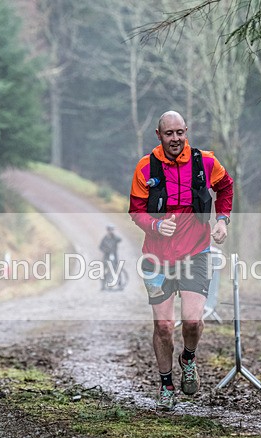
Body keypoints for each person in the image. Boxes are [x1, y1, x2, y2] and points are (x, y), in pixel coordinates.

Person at [129, 110, 234, 410]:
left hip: (196, 253)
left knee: (192, 320)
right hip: (156, 257)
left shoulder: (205, 162)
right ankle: (166, 385)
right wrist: (155, 225)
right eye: (169, 133)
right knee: (163, 326)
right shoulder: (146, 167)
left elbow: (226, 187)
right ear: (158, 135)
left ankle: (188, 358)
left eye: (180, 132)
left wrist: (222, 220)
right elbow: (136, 211)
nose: (175, 139)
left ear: (186, 131)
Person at [99, 224, 122, 290]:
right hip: (106, 256)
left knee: (117, 269)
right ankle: (103, 285)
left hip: (114, 256)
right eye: (109, 230)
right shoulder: (104, 238)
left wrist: (114, 235)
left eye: (112, 230)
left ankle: (120, 284)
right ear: (107, 230)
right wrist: (105, 250)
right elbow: (100, 247)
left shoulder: (114, 238)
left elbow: (120, 239)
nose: (111, 231)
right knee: (104, 270)